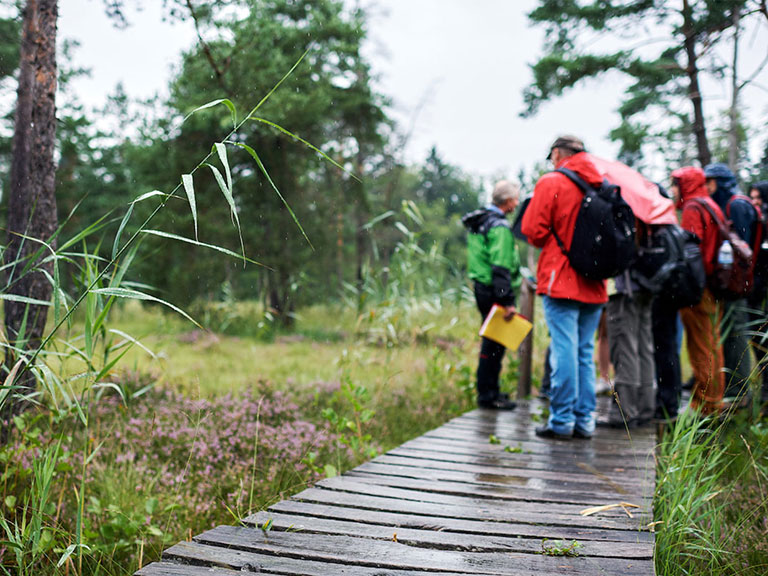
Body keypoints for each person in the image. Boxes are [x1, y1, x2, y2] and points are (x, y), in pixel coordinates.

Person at [521, 136, 606, 440]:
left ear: (557, 154)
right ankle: (585, 421)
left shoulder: (551, 182)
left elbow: (532, 231)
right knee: (584, 352)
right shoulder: (602, 183)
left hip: (562, 279)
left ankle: (561, 421)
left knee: (564, 349)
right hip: (595, 283)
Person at [462, 181, 522, 409]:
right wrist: (507, 301)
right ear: (507, 201)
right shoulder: (498, 227)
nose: (516, 204)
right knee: (495, 344)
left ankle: (490, 391)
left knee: (492, 342)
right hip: (494, 291)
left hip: (481, 288)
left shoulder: (480, 222)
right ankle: (488, 396)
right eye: (515, 199)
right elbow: (500, 265)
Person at [672, 166, 725, 415]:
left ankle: (706, 404)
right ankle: (712, 398)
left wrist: (687, 286)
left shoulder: (694, 207)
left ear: (686, 185)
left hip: (698, 287)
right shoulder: (710, 204)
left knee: (701, 344)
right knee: (711, 342)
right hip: (711, 284)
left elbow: (691, 252)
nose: (673, 190)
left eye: (676, 184)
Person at [704, 163, 758, 404]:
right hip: (735, 284)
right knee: (730, 333)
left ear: (719, 182)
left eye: (710, 182)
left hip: (741, 285)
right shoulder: (732, 203)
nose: (707, 187)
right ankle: (733, 389)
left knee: (736, 335)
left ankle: (738, 394)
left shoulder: (736, 204)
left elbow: (743, 250)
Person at [747, 181, 768, 404]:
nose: (755, 202)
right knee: (757, 336)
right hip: (756, 289)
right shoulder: (756, 220)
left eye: (758, 197)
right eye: (752, 197)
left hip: (762, 289)